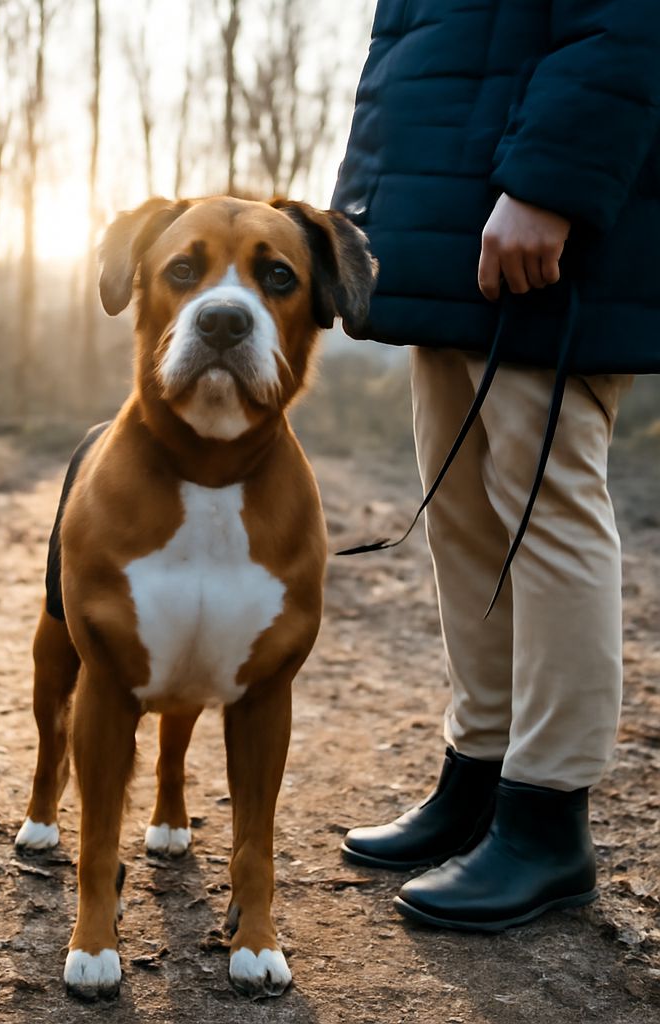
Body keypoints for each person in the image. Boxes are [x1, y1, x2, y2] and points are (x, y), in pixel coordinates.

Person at [330, 0, 660, 931]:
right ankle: (477, 777)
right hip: (445, 220)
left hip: (536, 214)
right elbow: (414, 48)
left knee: (543, 506)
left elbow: (624, 19)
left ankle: (548, 818)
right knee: (463, 509)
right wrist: (369, 203)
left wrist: (548, 184)